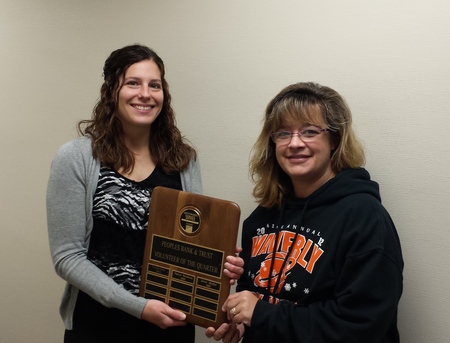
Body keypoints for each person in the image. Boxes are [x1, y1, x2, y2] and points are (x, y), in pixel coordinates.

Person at [47, 44, 243, 343]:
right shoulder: (76, 158)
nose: (145, 94)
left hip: (170, 327)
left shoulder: (183, 159)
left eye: (155, 85)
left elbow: (191, 243)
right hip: (99, 326)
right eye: (133, 83)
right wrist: (139, 308)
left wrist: (220, 262)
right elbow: (67, 257)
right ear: (112, 90)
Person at [206, 82, 403, 343]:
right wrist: (240, 323)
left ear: (334, 139)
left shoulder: (365, 218)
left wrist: (261, 315)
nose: (295, 143)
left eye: (309, 132)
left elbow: (360, 326)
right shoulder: (261, 217)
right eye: (283, 133)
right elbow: (252, 297)